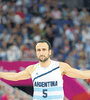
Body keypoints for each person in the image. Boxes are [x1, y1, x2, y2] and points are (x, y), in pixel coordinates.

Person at [0, 40, 90, 100]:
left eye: (44, 49)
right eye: (39, 50)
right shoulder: (32, 68)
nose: (41, 52)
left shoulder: (61, 67)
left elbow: (81, 74)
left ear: (49, 52)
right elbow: (15, 77)